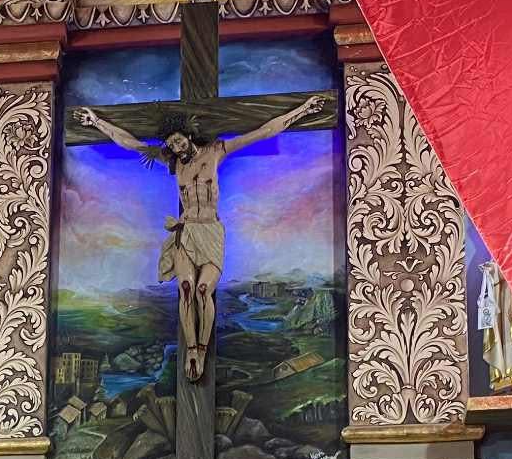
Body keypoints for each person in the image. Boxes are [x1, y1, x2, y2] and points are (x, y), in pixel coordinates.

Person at [75, 97, 330, 380]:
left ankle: (202, 347)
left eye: (178, 140)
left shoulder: (216, 151)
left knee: (201, 291)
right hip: (187, 231)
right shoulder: (173, 163)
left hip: (210, 231)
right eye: (171, 144)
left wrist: (303, 110)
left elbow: (264, 132)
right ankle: (191, 352)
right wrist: (96, 122)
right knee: (185, 288)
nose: (176, 147)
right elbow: (131, 143)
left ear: (188, 135)